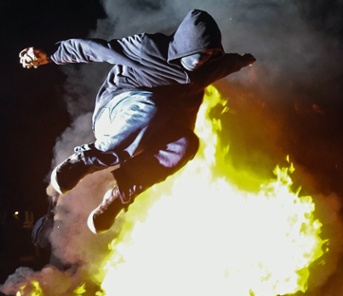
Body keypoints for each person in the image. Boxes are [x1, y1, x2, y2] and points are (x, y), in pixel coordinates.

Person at [19, 9, 256, 234]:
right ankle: (85, 160)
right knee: (153, 105)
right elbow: (94, 49)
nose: (199, 62)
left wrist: (245, 60)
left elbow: (228, 63)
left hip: (150, 131)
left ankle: (120, 194)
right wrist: (50, 54)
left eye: (206, 56)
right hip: (116, 114)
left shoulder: (208, 68)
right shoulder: (148, 47)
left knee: (187, 143)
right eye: (196, 54)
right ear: (184, 46)